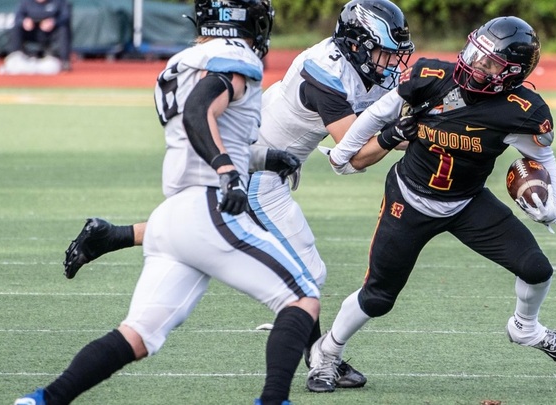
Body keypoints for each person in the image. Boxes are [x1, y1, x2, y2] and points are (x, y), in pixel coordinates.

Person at [58, 0, 415, 394]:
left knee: (201, 227)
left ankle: (111, 236)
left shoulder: (353, 64)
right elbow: (352, 152)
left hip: (259, 158)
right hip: (257, 169)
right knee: (306, 275)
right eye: (384, 52)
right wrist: (413, 132)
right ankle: (319, 361)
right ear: (358, 45)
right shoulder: (323, 73)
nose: (390, 62)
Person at [14, 1, 312, 405]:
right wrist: (227, 172)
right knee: (302, 298)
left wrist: (263, 158)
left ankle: (42, 400)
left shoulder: (181, 63)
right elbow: (198, 112)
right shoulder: (235, 57)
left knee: (136, 336)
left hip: (172, 217)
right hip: (209, 207)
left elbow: (206, 131)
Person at [305, 16, 556, 391]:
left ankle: (525, 328)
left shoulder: (520, 109)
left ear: (511, 75)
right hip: (409, 198)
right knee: (378, 297)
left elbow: (543, 158)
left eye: (489, 63)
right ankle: (326, 354)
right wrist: (343, 154)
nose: (475, 64)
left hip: (467, 202)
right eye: (476, 53)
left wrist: (552, 207)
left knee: (537, 268)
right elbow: (379, 113)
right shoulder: (431, 76)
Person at [8, 0, 72, 71]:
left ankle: (65, 61)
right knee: (17, 28)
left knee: (63, 29)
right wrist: (24, 21)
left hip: (51, 33)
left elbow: (66, 16)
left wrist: (53, 22)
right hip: (32, 33)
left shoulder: (58, 1)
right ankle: (15, 59)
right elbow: (18, 17)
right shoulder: (26, 2)